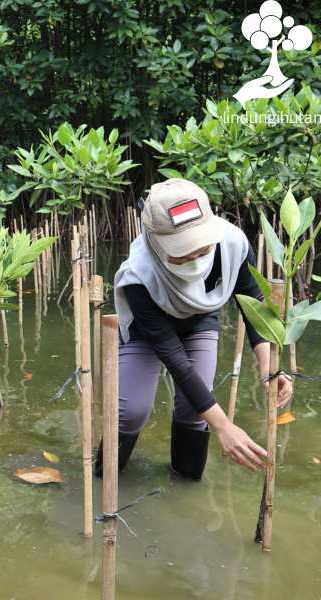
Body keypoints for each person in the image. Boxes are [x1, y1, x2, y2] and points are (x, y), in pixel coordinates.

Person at [96, 178, 293, 480]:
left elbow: (252, 303)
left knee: (194, 409)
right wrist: (224, 426)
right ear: (155, 240)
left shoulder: (232, 243)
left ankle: (185, 485)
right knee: (132, 410)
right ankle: (104, 479)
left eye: (201, 248)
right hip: (147, 333)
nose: (195, 257)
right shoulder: (138, 273)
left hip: (200, 319)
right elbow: (173, 357)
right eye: (182, 252)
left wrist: (269, 368)